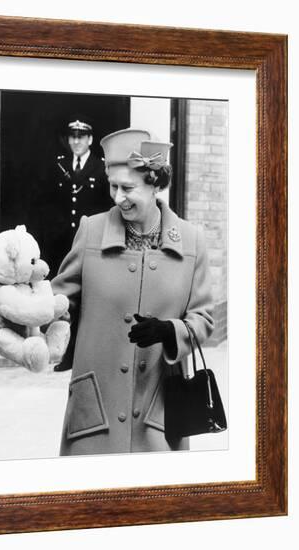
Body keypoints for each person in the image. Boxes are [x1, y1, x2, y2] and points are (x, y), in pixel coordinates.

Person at [51, 128, 214, 455]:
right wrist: (36, 314)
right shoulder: (91, 231)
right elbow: (58, 303)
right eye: (113, 186)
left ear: (155, 185)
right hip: (96, 408)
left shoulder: (192, 241)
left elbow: (203, 319)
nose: (117, 197)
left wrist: (171, 330)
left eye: (127, 188)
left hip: (159, 409)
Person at [35, 117, 112, 277]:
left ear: (90, 139)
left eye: (81, 137)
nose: (76, 141)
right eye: (72, 137)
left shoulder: (101, 167)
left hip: (90, 239)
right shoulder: (59, 165)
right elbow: (47, 202)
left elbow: (106, 206)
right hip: (61, 240)